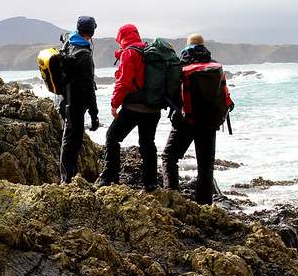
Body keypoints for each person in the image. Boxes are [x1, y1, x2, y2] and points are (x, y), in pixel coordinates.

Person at [161, 34, 233, 205]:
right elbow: (225, 95)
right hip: (210, 122)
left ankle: (172, 197)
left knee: (169, 157)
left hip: (185, 121)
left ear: (187, 46)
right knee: (206, 166)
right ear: (203, 46)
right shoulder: (215, 66)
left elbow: (172, 94)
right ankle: (205, 205)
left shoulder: (181, 64)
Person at [97, 24, 160, 190]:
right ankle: (151, 183)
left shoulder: (129, 53)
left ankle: (109, 178)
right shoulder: (148, 50)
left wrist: (114, 104)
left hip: (133, 107)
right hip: (153, 108)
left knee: (112, 137)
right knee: (147, 144)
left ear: (122, 38)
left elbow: (124, 82)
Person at [57, 15, 100, 183]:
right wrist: (94, 114)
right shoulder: (84, 56)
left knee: (69, 140)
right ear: (91, 32)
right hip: (74, 106)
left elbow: (64, 35)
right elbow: (88, 88)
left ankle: (71, 177)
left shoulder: (68, 43)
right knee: (71, 143)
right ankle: (66, 181)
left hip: (62, 102)